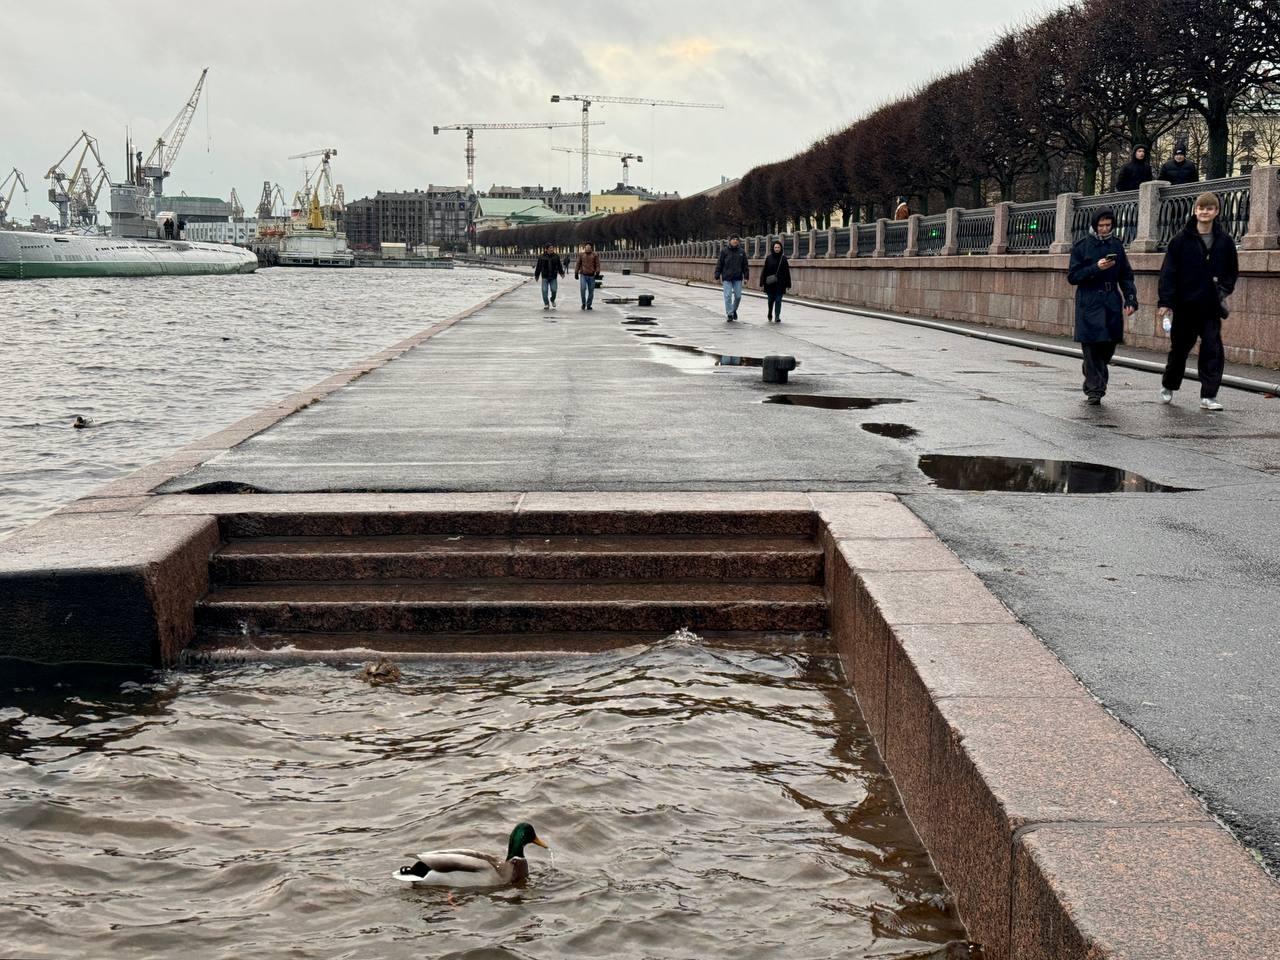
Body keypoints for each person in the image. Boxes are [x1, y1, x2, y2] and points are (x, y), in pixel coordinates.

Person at [1157, 192, 1238, 411]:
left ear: (1216, 212)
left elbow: (1232, 272)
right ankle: (1169, 384)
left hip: (1210, 306)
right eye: (1201, 208)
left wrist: (1222, 291)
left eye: (1209, 208)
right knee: (1180, 350)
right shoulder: (1180, 240)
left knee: (1212, 348)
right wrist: (1165, 302)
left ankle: (1209, 395)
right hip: (1185, 305)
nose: (1204, 212)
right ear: (1195, 210)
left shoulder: (1225, 241)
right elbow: (1168, 273)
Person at [1067, 207, 1137, 405]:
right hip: (1089, 300)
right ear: (1094, 225)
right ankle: (1095, 390)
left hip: (1111, 301)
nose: (1105, 229)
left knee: (1107, 346)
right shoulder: (1082, 246)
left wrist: (1131, 298)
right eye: (1101, 225)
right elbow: (1073, 276)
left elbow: (1126, 275)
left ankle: (1090, 370)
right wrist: (1095, 268)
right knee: (1091, 346)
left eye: (1108, 225)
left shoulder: (1116, 245)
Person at [714, 235, 749, 321]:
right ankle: (730, 314)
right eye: (733, 239)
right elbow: (720, 263)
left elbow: (745, 265)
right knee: (728, 296)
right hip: (727, 277)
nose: (735, 241)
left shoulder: (741, 252)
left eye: (737, 239)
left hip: (737, 278)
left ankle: (733, 310)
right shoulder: (724, 251)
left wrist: (746, 277)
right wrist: (717, 274)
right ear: (730, 241)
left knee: (738, 296)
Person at [759, 238, 792, 323]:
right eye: (775, 247)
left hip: (780, 284)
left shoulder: (784, 259)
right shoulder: (769, 258)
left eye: (778, 247)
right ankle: (770, 312)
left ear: (781, 248)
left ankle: (777, 316)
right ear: (773, 248)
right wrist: (762, 282)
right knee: (770, 300)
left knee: (778, 300)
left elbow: (787, 272)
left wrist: (788, 284)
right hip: (770, 284)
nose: (777, 249)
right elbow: (764, 270)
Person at [533, 243, 565, 310]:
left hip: (553, 276)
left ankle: (552, 299)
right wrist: (537, 275)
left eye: (552, 248)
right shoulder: (541, 257)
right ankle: (546, 303)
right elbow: (538, 266)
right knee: (544, 291)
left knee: (554, 290)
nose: (552, 249)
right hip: (545, 276)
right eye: (550, 248)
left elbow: (559, 265)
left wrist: (561, 272)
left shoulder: (556, 256)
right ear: (546, 249)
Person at [574, 243, 600, 310]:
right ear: (585, 248)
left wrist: (597, 272)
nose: (588, 248)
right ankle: (583, 303)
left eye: (589, 247)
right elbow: (578, 264)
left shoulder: (595, 255)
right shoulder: (581, 255)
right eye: (586, 247)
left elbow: (597, 264)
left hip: (591, 275)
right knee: (583, 289)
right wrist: (576, 273)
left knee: (591, 291)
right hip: (583, 275)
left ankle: (589, 304)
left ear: (591, 248)